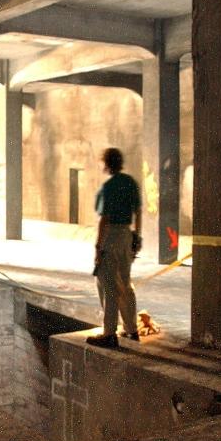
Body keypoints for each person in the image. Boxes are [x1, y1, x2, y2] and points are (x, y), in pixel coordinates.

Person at [87, 147, 142, 348]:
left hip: (111, 236)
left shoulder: (108, 187)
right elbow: (138, 211)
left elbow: (104, 219)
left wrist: (98, 249)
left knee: (107, 283)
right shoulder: (131, 183)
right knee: (125, 283)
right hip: (127, 235)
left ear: (107, 163)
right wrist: (136, 236)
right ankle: (131, 329)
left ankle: (109, 333)